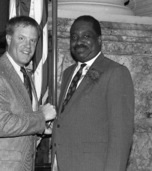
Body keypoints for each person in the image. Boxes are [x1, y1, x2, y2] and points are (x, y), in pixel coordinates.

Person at [51, 15, 134, 171]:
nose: (79, 41)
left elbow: (121, 136)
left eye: (86, 36)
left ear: (100, 40)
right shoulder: (68, 73)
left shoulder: (115, 72)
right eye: (74, 37)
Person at [0, 16, 56, 171]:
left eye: (33, 40)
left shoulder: (24, 74)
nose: (28, 46)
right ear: (9, 39)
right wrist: (41, 116)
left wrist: (42, 128)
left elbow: (20, 117)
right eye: (22, 38)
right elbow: (2, 125)